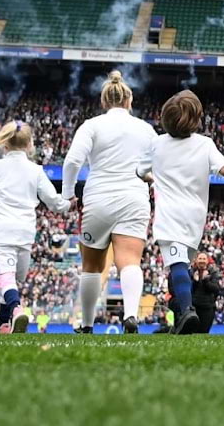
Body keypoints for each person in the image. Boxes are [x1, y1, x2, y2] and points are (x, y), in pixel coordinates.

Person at [139, 90, 224, 334]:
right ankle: (181, 314)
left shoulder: (157, 144)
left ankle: (187, 311)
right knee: (182, 265)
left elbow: (139, 171)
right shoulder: (204, 143)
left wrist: (152, 179)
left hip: (170, 214)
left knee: (177, 264)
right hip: (195, 216)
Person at [64, 70, 158, 334]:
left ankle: (86, 324)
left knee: (91, 266)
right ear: (129, 101)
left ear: (104, 101)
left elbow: (72, 161)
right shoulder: (146, 129)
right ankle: (130, 317)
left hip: (98, 199)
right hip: (134, 197)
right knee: (130, 261)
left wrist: (68, 195)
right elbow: (156, 166)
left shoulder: (92, 125)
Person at [0, 118, 68, 333]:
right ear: (30, 144)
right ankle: (4, 325)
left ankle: (15, 310)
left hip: (1, 230)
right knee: (14, 278)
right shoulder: (36, 170)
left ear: (4, 144)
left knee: (7, 277)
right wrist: (68, 204)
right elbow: (53, 201)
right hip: (24, 232)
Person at [189, 253, 224, 335]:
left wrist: (206, 281)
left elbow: (216, 289)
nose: (202, 261)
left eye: (204, 259)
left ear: (207, 261)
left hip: (207, 307)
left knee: (204, 332)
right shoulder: (191, 272)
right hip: (194, 307)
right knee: (192, 332)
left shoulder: (213, 272)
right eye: (200, 258)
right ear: (196, 260)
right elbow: (189, 290)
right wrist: (195, 281)